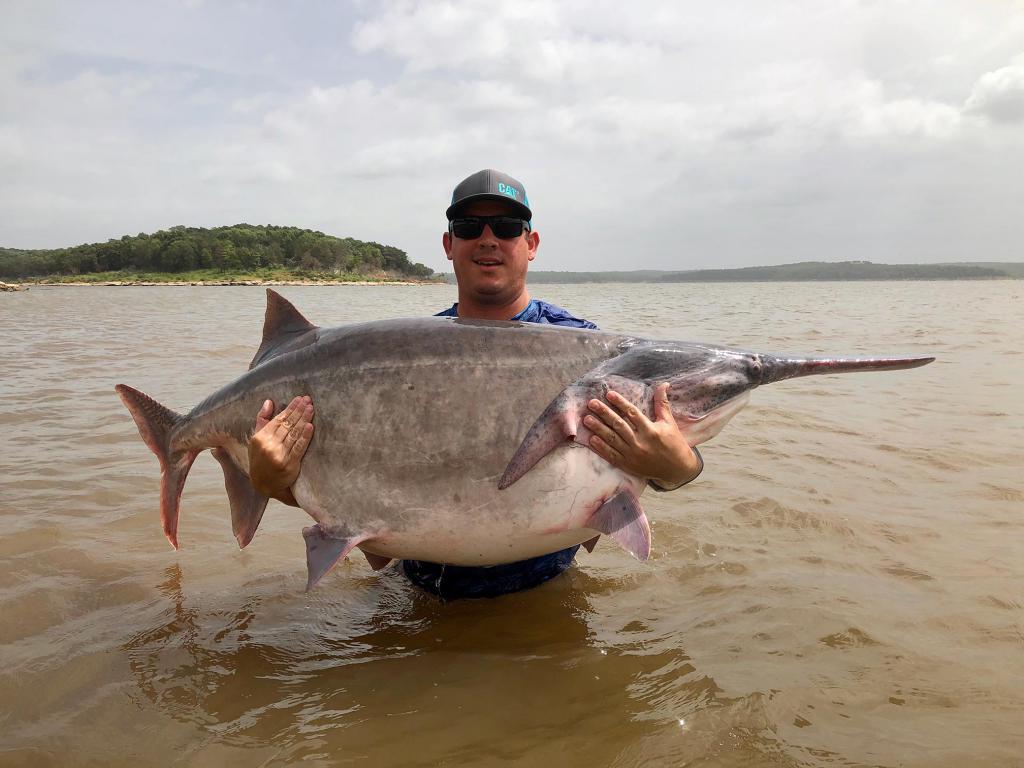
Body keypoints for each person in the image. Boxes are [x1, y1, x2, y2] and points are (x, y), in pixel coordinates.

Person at [248, 169, 703, 599]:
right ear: (449, 244)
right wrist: (272, 483)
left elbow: (657, 442)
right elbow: (353, 478)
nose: (488, 239)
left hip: (541, 591)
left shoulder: (584, 348)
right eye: (469, 227)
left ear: (532, 243)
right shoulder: (406, 355)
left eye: (507, 227)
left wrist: (680, 468)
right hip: (414, 591)